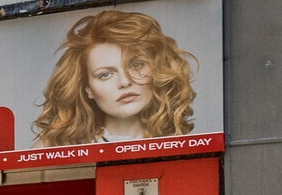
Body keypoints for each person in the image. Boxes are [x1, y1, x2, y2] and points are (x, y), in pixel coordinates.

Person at [33, 9, 197, 146]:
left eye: (136, 65)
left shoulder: (180, 144)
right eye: (105, 74)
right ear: (88, 89)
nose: (125, 82)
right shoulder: (51, 149)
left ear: (157, 69)